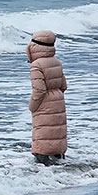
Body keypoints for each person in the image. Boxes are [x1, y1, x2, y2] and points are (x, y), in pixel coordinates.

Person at [26, 30, 67, 165]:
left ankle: (42, 175)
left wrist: (32, 107)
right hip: (58, 101)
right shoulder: (56, 62)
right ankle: (62, 167)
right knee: (56, 134)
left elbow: (39, 90)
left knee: (42, 138)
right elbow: (63, 85)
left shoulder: (36, 65)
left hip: (44, 104)